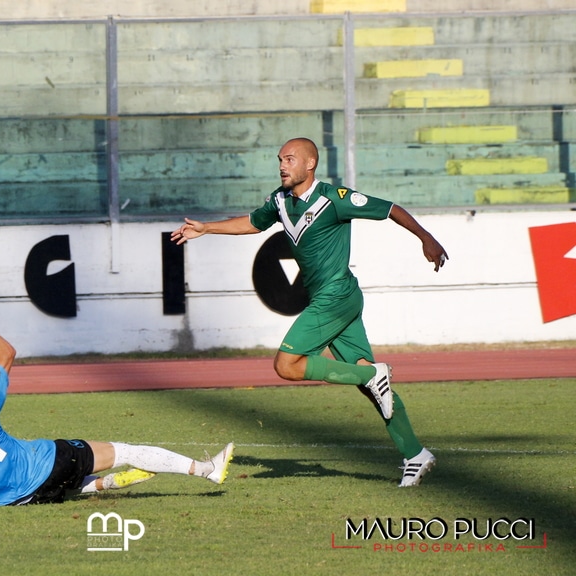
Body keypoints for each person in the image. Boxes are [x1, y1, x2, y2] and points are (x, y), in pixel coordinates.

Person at [170, 137, 448, 488]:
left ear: (310, 164)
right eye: (279, 160)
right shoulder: (280, 200)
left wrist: (426, 237)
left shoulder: (335, 199)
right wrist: (207, 228)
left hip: (336, 295)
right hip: (330, 299)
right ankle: (415, 454)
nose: (282, 165)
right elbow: (254, 222)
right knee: (371, 382)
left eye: (289, 159)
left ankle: (372, 377)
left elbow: (390, 208)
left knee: (287, 365)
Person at [0, 295, 235, 511]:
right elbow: (7, 355)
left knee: (63, 486)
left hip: (25, 500)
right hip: (50, 462)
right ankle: (205, 470)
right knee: (124, 450)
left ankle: (103, 484)